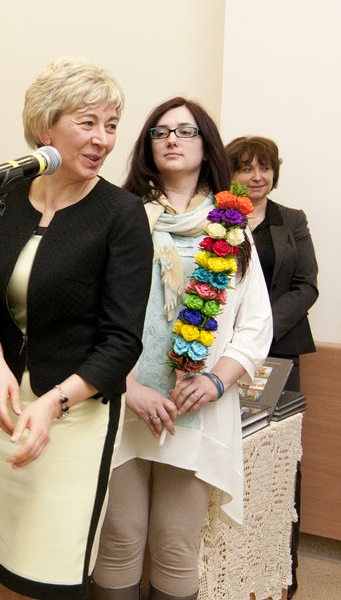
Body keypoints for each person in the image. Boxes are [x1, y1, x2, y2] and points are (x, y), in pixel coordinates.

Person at [0, 57, 153, 600]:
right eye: (87, 122)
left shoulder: (121, 215)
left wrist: (52, 404)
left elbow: (122, 342)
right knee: (5, 558)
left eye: (111, 125)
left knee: (49, 567)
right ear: (45, 127)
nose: (103, 139)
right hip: (8, 403)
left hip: (77, 412)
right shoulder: (6, 199)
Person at [92, 98, 273, 600]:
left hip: (195, 407)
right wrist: (125, 385)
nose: (172, 139)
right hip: (123, 402)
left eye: (186, 131)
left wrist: (216, 380)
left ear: (206, 145)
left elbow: (256, 323)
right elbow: (88, 312)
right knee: (119, 540)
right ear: (147, 146)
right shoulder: (119, 216)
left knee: (175, 545)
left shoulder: (232, 226)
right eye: (161, 131)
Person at [226, 135, 318, 598]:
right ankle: (226, 570)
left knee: (278, 465)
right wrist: (236, 341)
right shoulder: (216, 218)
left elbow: (306, 286)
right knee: (229, 454)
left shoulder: (291, 220)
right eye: (246, 168)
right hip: (222, 357)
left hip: (277, 355)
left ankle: (280, 573)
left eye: (264, 168)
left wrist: (257, 333)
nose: (257, 177)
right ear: (229, 174)